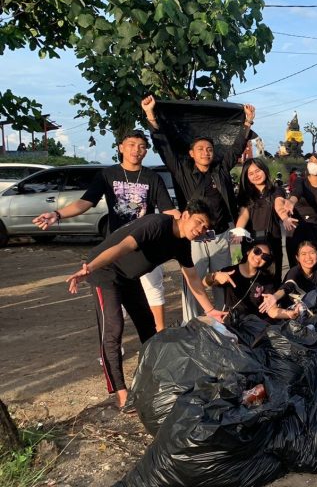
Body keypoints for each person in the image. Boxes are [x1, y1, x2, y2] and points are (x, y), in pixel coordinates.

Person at [64, 200, 226, 409]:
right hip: (104, 272)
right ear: (185, 215)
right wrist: (89, 268)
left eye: (206, 227)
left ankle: (156, 378)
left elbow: (193, 278)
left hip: (129, 278)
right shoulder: (157, 225)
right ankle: (120, 392)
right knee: (113, 330)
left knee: (148, 329)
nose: (201, 230)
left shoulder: (182, 243)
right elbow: (123, 247)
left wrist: (210, 310)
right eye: (199, 222)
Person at [33, 130, 179, 332]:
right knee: (115, 298)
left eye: (142, 146)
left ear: (146, 151)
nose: (136, 150)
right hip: (116, 246)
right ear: (120, 147)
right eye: (131, 144)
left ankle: (159, 337)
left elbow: (168, 210)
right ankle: (114, 345)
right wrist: (57, 214)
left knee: (154, 290)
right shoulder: (108, 175)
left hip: (146, 244)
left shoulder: (152, 178)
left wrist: (193, 221)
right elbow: (85, 202)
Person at [143, 95, 254, 323]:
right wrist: (151, 116)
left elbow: (234, 149)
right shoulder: (182, 171)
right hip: (194, 239)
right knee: (195, 284)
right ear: (192, 153)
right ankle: (192, 325)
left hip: (221, 237)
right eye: (201, 149)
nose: (206, 152)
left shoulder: (220, 171)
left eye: (210, 149)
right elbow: (164, 148)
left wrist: (247, 124)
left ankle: (223, 325)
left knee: (224, 280)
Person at [279, 150, 317, 270]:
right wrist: (291, 202)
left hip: (316, 229)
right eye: (311, 160)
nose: (312, 163)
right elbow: (297, 192)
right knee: (296, 265)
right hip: (295, 227)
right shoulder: (300, 181)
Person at [233, 158, 291, 286]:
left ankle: (273, 303)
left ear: (264, 170)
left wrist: (285, 217)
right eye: (251, 173)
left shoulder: (276, 190)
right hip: (251, 242)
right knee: (251, 278)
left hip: (272, 240)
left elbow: (278, 204)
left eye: (258, 171)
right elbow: (244, 215)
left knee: (273, 277)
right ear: (246, 177)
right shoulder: (245, 195)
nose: (255, 175)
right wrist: (238, 230)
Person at [205, 240, 277, 322]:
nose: (259, 257)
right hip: (230, 320)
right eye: (257, 251)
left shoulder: (266, 279)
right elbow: (204, 283)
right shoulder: (230, 271)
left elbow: (272, 310)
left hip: (253, 324)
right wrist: (214, 276)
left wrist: (289, 313)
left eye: (265, 257)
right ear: (248, 251)